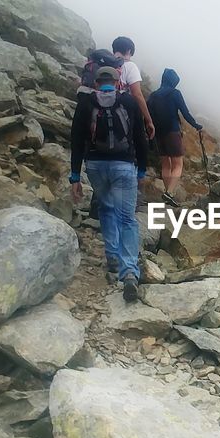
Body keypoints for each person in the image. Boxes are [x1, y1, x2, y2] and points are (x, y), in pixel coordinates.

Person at [69, 66, 149, 302]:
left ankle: (112, 254)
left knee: (106, 207)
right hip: (124, 166)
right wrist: (142, 169)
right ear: (117, 82)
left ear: (96, 83)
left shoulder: (85, 103)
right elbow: (140, 137)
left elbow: (76, 139)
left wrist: (75, 176)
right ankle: (130, 273)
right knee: (127, 218)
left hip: (95, 166)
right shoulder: (128, 102)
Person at [147, 68, 203, 206]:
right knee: (178, 164)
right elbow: (185, 112)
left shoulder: (153, 96)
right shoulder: (175, 93)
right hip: (172, 131)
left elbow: (148, 116)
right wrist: (196, 125)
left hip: (158, 133)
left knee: (166, 164)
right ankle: (169, 193)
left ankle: (168, 194)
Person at [111, 36, 156, 140]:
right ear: (129, 51)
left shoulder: (102, 64)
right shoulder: (130, 66)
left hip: (100, 109)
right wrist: (149, 120)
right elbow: (137, 94)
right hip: (122, 113)